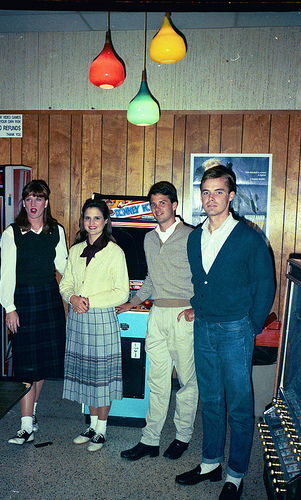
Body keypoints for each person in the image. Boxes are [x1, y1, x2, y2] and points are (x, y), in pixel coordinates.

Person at [175, 166, 275, 500]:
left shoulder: (248, 238)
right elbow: (201, 282)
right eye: (206, 192)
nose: (211, 198)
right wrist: (196, 307)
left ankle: (235, 474)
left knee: (239, 405)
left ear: (231, 196)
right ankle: (209, 464)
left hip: (236, 330)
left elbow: (265, 285)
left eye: (218, 192)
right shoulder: (194, 237)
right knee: (212, 400)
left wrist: (252, 325)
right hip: (204, 327)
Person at [119, 181, 198, 461]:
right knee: (157, 380)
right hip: (158, 315)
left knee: (188, 381)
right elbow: (151, 280)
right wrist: (131, 303)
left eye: (162, 203)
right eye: (153, 204)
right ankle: (150, 439)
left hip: (184, 315)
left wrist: (197, 308)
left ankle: (182, 436)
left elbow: (206, 276)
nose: (157, 209)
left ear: (174, 205)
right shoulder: (149, 239)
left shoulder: (192, 237)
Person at [0, 179, 68, 445]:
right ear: (23, 203)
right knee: (27, 363)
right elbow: (6, 275)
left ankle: (32, 416)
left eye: (38, 199)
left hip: (49, 298)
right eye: (28, 199)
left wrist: (79, 292)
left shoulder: (56, 231)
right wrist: (10, 308)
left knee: (40, 363)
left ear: (46, 202)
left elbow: (64, 266)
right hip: (23, 302)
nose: (33, 204)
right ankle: (25, 427)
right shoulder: (12, 233)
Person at [59, 198, 129, 452]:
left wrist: (89, 301)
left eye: (97, 218)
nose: (92, 223)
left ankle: (101, 429)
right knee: (86, 375)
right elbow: (65, 284)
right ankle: (90, 424)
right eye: (87, 218)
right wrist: (73, 298)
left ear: (106, 221)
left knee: (102, 376)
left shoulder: (115, 252)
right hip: (78, 320)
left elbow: (122, 292)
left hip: (101, 320)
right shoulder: (76, 250)